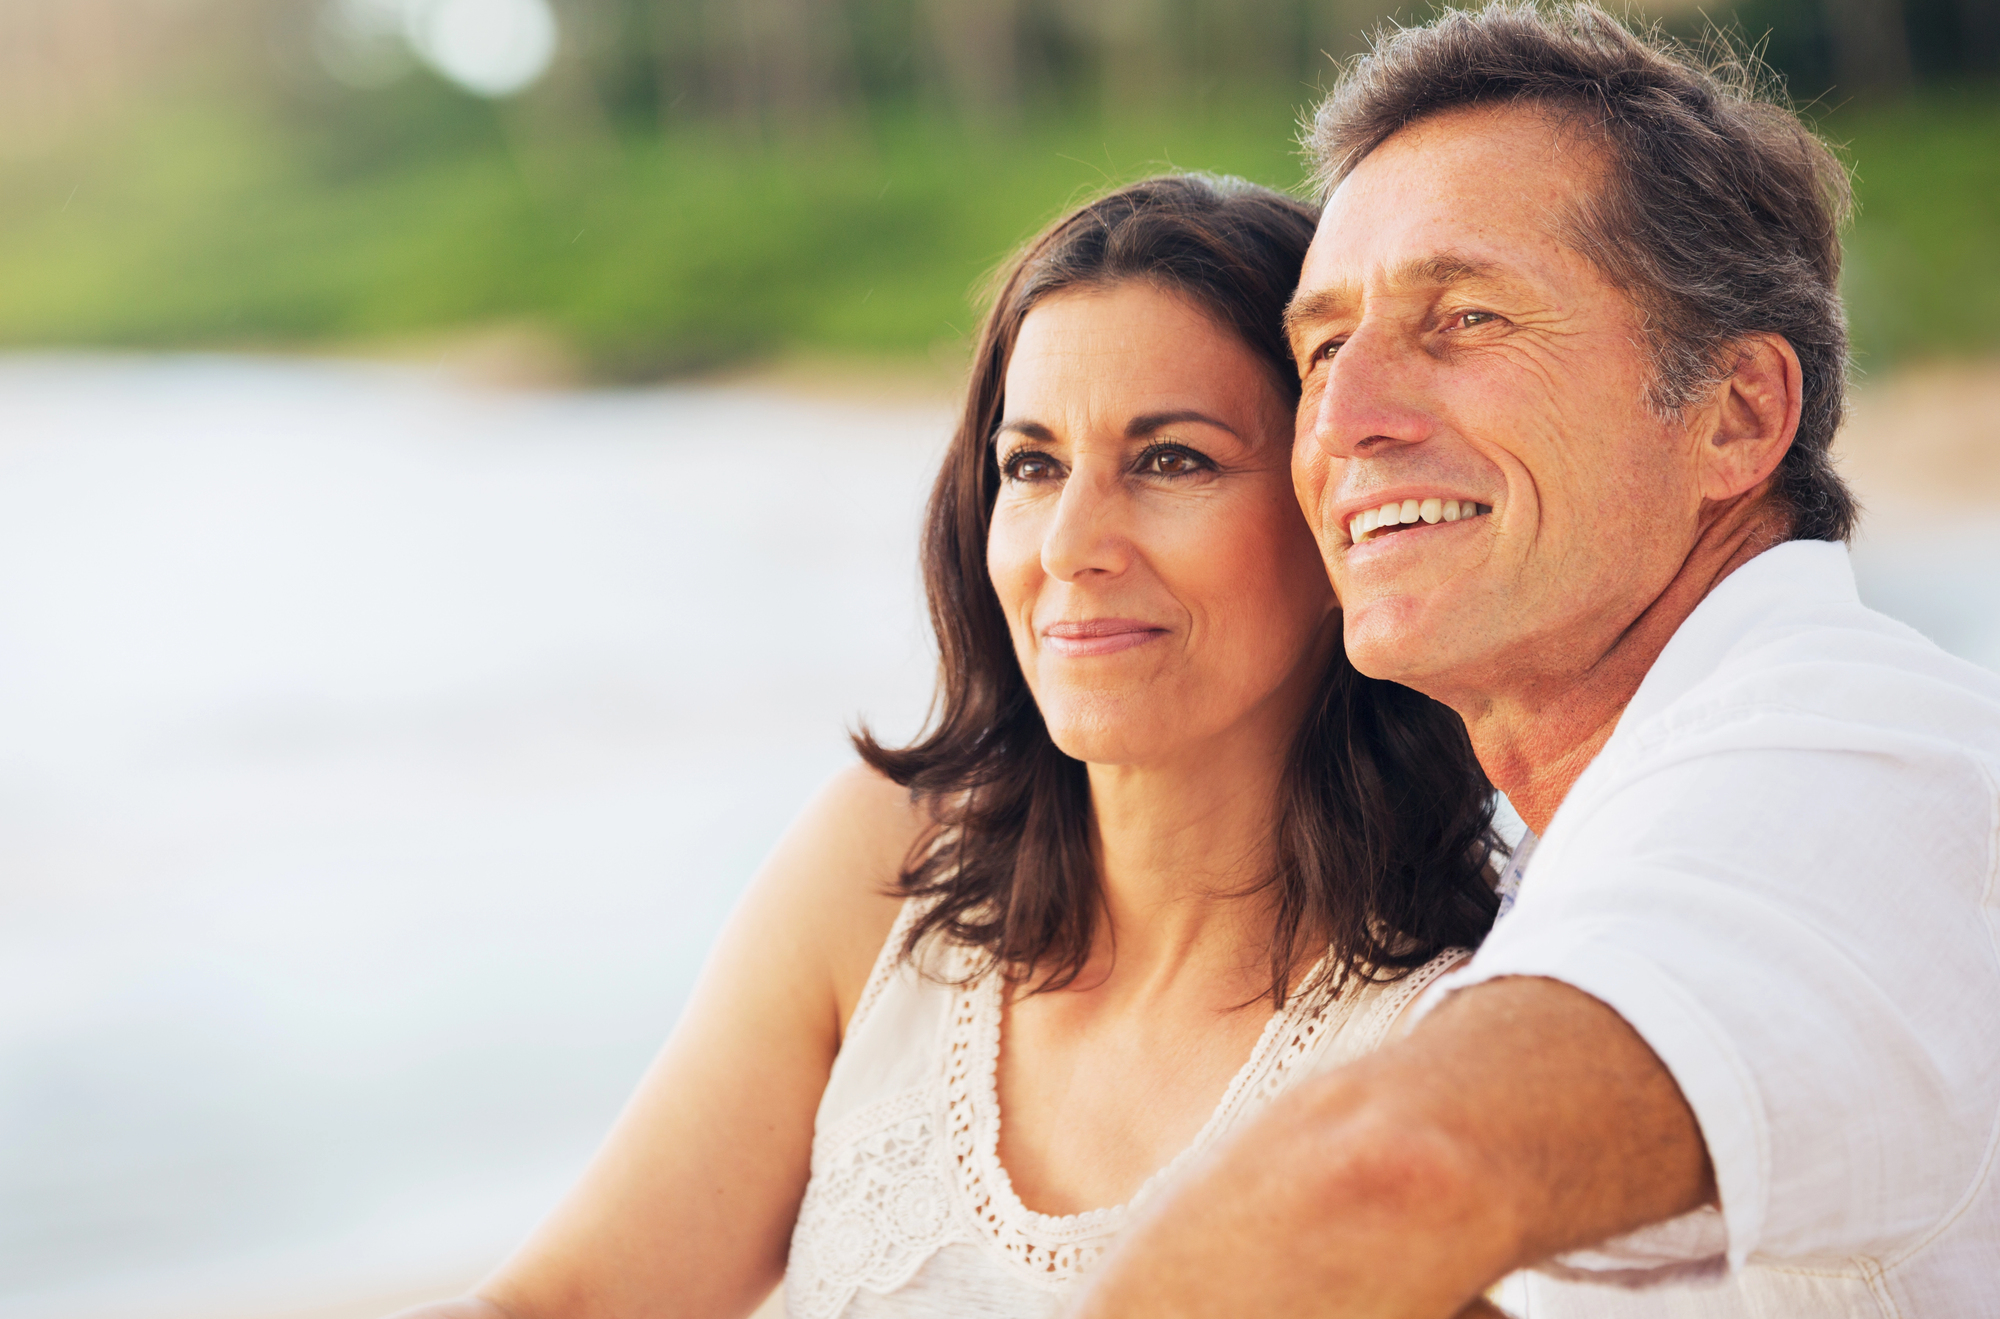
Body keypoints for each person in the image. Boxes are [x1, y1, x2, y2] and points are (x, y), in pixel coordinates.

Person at [390, 175, 1505, 1319]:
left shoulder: (1465, 1029)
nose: (1070, 543)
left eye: (1171, 459)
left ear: (1339, 508)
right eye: (1032, 465)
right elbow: (571, 1301)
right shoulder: (886, 867)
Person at [1066, 5, 2000, 1318]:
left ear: (1736, 414)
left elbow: (1385, 1173)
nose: (1342, 422)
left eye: (1463, 319)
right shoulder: (1589, 830)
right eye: (1322, 345)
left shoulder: (1832, 760)